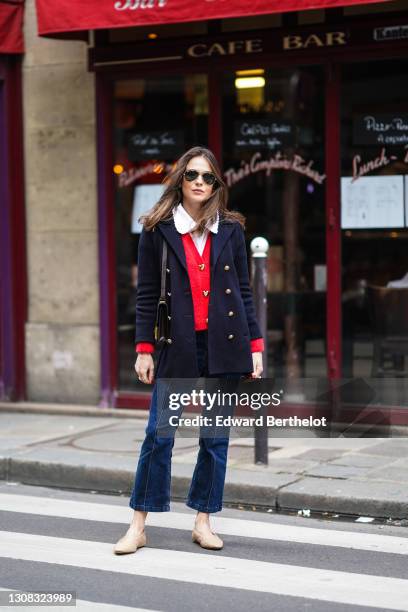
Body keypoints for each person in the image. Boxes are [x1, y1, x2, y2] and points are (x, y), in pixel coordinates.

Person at [114, 146, 264, 555]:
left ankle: (203, 520)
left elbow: (244, 293)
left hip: (225, 343)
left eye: (208, 177)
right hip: (174, 344)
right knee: (159, 435)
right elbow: (146, 294)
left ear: (217, 185)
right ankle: (138, 524)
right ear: (180, 179)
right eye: (193, 175)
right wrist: (144, 348)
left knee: (215, 437)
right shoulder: (157, 229)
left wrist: (255, 345)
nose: (200, 182)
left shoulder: (230, 229)